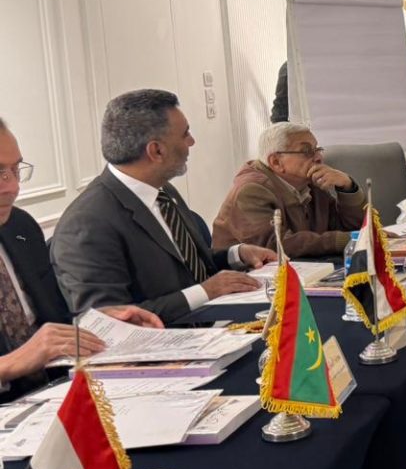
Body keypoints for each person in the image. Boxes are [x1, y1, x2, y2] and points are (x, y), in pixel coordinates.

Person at [51, 89, 275, 322]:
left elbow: (184, 265)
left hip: (213, 324)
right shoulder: (87, 223)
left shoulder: (162, 190)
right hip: (173, 338)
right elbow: (108, 321)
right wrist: (205, 292)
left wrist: (236, 254)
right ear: (156, 150)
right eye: (185, 134)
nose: (192, 142)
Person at [0, 118, 161, 397]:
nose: (12, 187)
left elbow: (53, 320)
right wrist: (8, 365)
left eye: (15, 170)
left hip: (60, 392)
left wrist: (100, 323)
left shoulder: (20, 227)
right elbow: (30, 350)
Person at [210, 122, 366, 256]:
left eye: (318, 149)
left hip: (308, 268)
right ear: (276, 162)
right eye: (306, 151)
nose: (318, 157)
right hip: (251, 277)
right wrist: (347, 239)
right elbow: (277, 245)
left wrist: (347, 187)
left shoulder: (309, 182)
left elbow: (350, 228)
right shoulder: (251, 191)